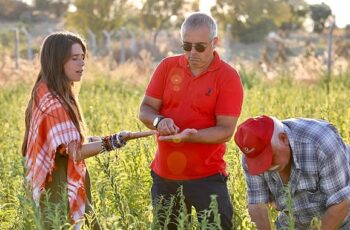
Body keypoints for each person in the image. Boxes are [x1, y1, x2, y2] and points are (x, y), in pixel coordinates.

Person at [21, 31, 155, 229]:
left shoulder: (46, 92)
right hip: (60, 189)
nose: (82, 63)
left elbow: (68, 144)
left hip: (58, 185)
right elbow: (75, 152)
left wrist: (118, 137)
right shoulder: (54, 103)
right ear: (57, 61)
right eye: (74, 58)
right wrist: (113, 142)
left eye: (83, 57)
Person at [139, 12, 243, 229]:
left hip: (207, 176)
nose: (192, 53)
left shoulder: (228, 77)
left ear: (215, 43)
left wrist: (191, 136)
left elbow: (225, 130)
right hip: (165, 176)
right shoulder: (167, 67)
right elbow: (146, 109)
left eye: (200, 47)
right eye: (186, 46)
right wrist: (159, 121)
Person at [234, 115, 350, 229]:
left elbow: (341, 203)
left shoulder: (320, 143)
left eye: (269, 157)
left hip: (342, 219)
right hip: (292, 222)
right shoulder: (252, 156)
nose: (267, 166)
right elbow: (257, 206)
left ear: (283, 138)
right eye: (260, 162)